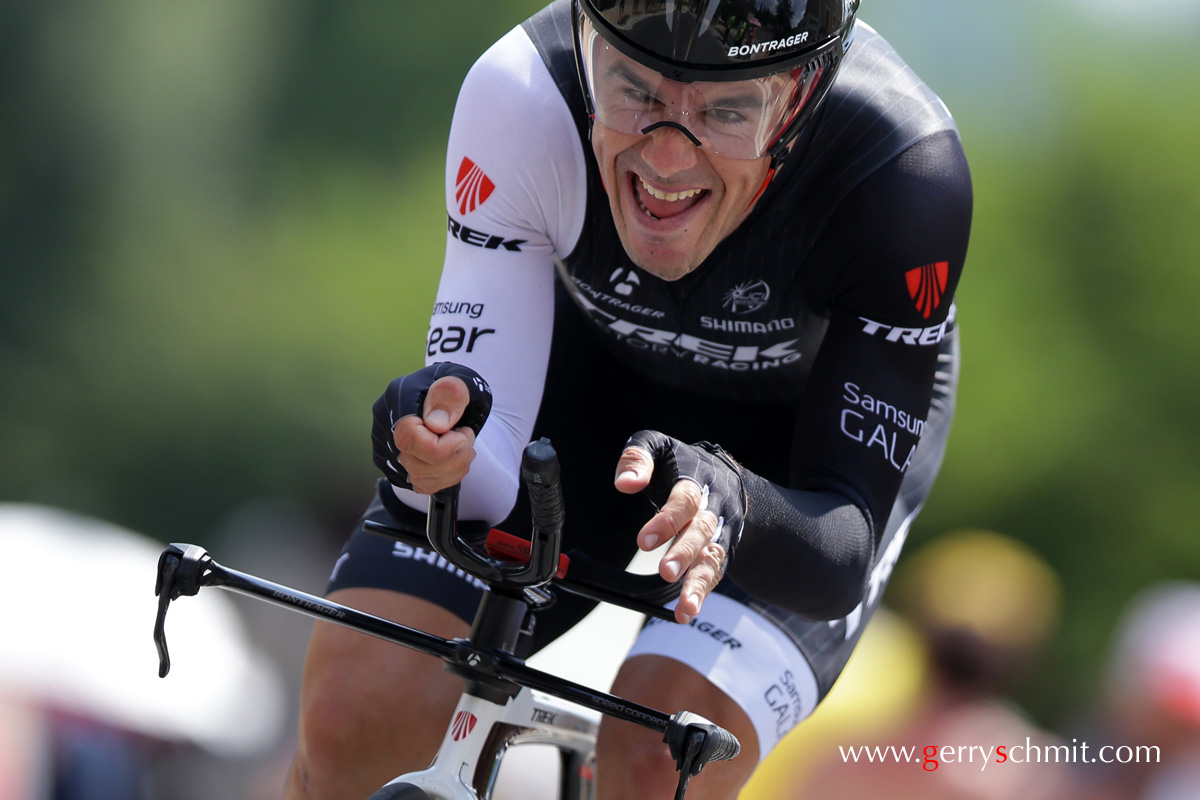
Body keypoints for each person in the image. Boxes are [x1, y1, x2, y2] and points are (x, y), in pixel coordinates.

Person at [285, 1, 972, 798]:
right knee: (354, 717)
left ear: (800, 100)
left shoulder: (900, 170)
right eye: (633, 91)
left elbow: (838, 551)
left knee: (657, 758)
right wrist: (437, 445)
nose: (668, 157)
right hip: (590, 394)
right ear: (585, 52)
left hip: (788, 470)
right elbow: (481, 453)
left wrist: (736, 505)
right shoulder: (523, 92)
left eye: (726, 111)